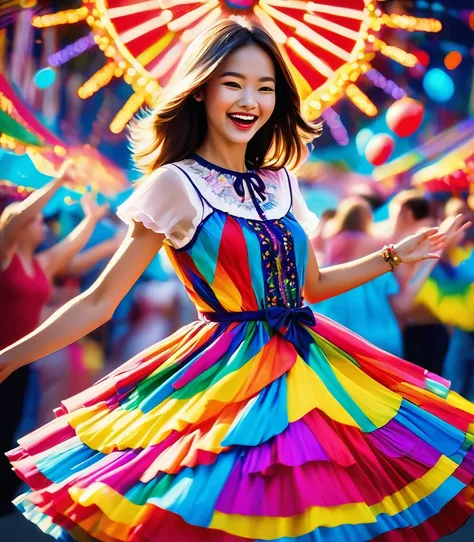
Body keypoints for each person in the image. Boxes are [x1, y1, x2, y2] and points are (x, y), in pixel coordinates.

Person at [0, 18, 473, 541]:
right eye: (234, 83)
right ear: (201, 90)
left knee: (311, 514)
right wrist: (7, 360)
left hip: (310, 365)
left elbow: (310, 287)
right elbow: (99, 302)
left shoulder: (281, 181)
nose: (251, 99)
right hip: (220, 377)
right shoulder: (173, 184)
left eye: (265, 87)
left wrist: (394, 255)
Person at [0, 168, 109, 517]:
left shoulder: (41, 264)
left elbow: (73, 246)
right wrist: (60, 181)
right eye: (38, 223)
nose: (43, 226)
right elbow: (20, 215)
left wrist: (91, 218)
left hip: (19, 364)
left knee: (7, 428)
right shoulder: (5, 257)